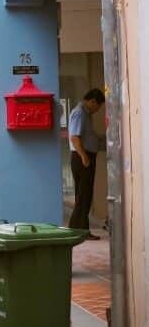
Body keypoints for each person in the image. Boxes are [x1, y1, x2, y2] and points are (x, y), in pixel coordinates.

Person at [68, 88, 106, 238]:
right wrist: (84, 157)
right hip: (81, 157)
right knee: (83, 195)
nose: (98, 110)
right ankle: (79, 230)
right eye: (98, 106)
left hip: (84, 156)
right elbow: (74, 137)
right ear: (92, 101)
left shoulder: (86, 114)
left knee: (85, 195)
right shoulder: (79, 113)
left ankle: (80, 229)